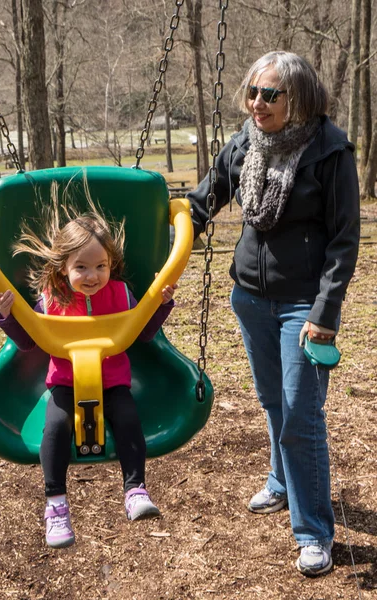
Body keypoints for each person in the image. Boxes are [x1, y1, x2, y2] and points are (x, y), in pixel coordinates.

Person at [187, 51, 360, 576]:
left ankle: (314, 533)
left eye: (269, 94)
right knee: (272, 402)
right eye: (253, 92)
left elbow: (344, 242)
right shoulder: (245, 142)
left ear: (299, 98)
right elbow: (203, 201)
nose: (256, 103)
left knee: (300, 418)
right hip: (251, 299)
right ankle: (283, 484)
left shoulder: (329, 151)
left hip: (304, 307)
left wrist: (325, 313)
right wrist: (154, 244)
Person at [0, 183, 178, 549]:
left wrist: (161, 304)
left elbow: (143, 334)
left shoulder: (121, 294)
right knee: (56, 427)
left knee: (127, 420)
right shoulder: (51, 300)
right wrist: (7, 316)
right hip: (63, 383)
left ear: (111, 265)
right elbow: (29, 343)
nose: (92, 276)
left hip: (113, 381)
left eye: (100, 266)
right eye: (81, 267)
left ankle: (135, 489)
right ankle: (55, 504)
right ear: (63, 268)